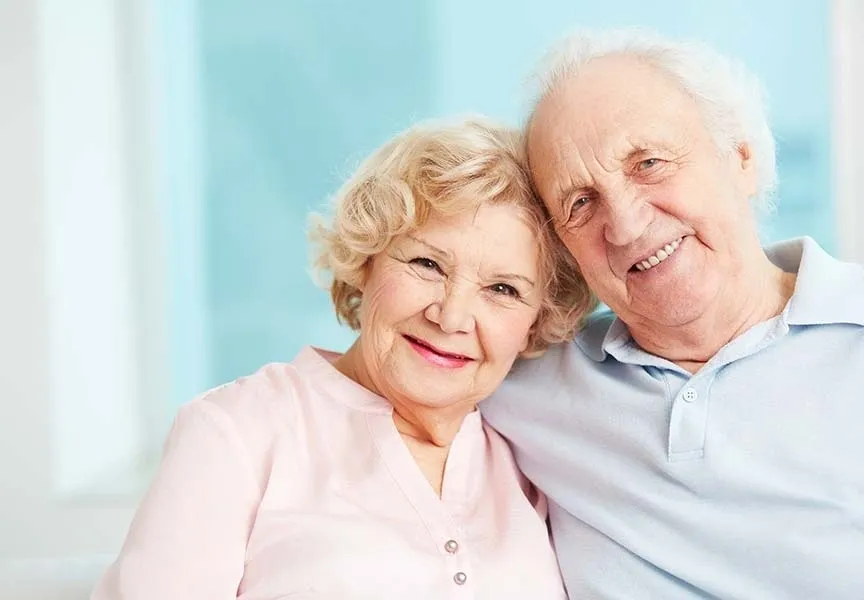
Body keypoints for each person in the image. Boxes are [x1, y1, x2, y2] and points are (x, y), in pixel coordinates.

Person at [91, 117, 595, 600]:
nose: (452, 316)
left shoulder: (533, 453)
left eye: (503, 289)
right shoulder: (236, 432)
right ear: (367, 259)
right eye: (427, 263)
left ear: (538, 320)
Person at [480, 28, 864, 599]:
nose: (627, 225)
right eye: (580, 203)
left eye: (649, 163)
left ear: (741, 159)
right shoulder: (516, 382)